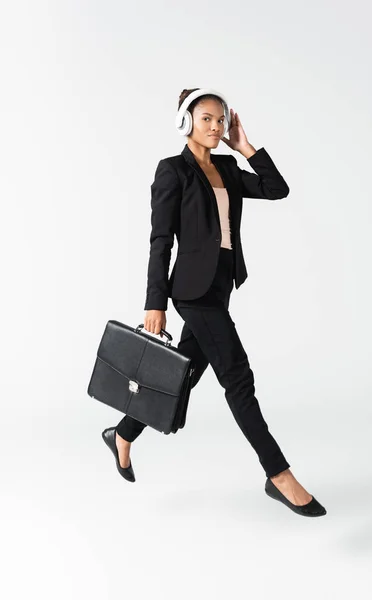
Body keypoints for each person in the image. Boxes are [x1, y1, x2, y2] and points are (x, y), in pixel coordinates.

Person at [102, 88, 327, 517]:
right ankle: (278, 475)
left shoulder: (226, 166)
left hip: (221, 286)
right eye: (206, 118)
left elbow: (277, 189)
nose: (215, 127)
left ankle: (123, 432)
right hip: (191, 290)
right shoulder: (173, 171)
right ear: (185, 121)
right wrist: (156, 302)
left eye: (220, 120)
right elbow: (160, 241)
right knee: (238, 379)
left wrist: (244, 147)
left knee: (181, 374)